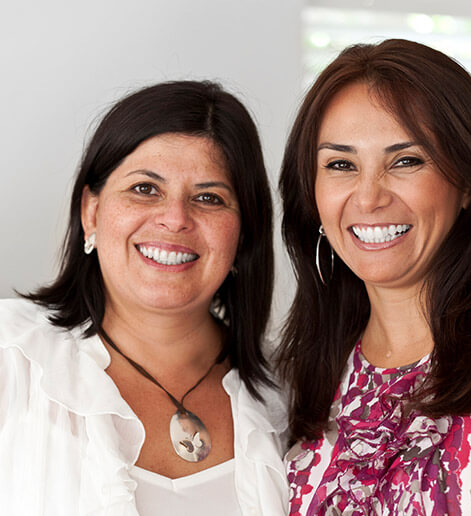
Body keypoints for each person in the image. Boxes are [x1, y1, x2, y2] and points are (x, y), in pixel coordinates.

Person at [278, 39, 471, 514]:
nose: (368, 197)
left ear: (467, 182)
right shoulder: (306, 373)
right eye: (341, 164)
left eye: (406, 161)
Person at [0, 80, 288, 515]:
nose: (174, 219)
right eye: (144, 189)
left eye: (208, 198)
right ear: (91, 212)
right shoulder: (10, 358)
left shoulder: (293, 397)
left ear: (243, 235)